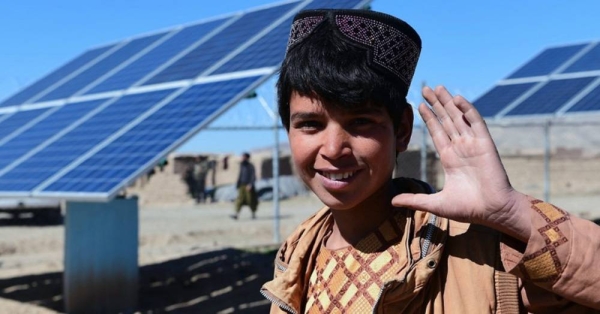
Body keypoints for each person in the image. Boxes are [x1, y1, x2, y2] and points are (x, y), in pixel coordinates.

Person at [260, 9, 600, 313]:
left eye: (360, 122)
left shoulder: (483, 252)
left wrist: (512, 212)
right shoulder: (297, 258)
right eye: (310, 125)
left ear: (403, 130)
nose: (333, 148)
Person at [232, 152, 259, 219]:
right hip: (242, 185)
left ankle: (253, 214)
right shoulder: (242, 166)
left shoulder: (250, 166)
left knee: (250, 200)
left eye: (244, 157)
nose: (242, 158)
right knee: (239, 200)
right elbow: (240, 175)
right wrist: (238, 184)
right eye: (242, 157)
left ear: (247, 158)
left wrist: (250, 184)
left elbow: (253, 176)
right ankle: (236, 214)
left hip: (248, 186)